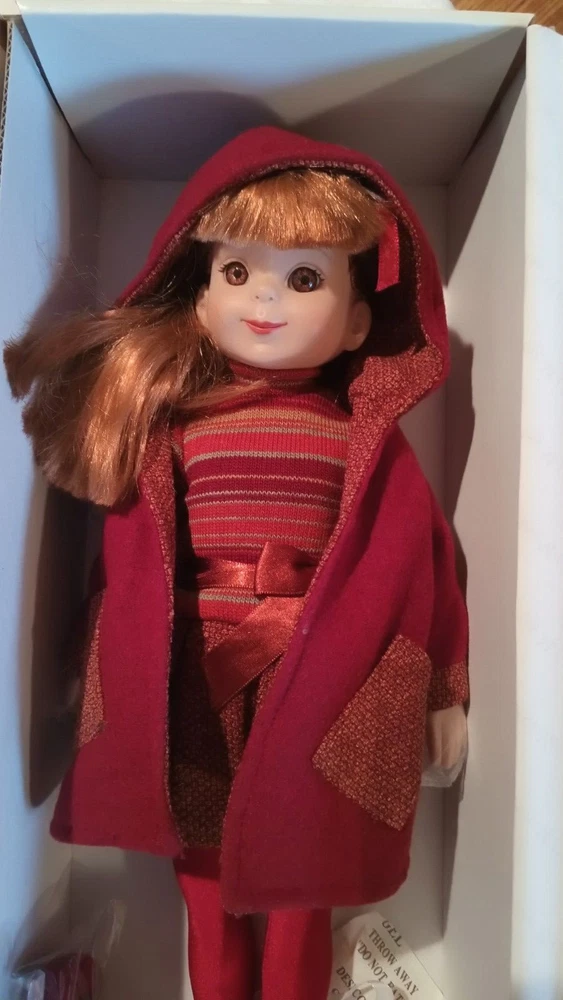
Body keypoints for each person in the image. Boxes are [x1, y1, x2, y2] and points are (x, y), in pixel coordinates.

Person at [4, 126, 469, 1000]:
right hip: (190, 673)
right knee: (204, 880)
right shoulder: (170, 430)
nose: (265, 299)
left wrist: (443, 687)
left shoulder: (366, 442)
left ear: (357, 319)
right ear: (201, 297)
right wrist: (86, 660)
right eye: (237, 271)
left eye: (304, 279)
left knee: (303, 884)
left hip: (323, 675)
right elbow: (126, 566)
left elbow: (425, 566)